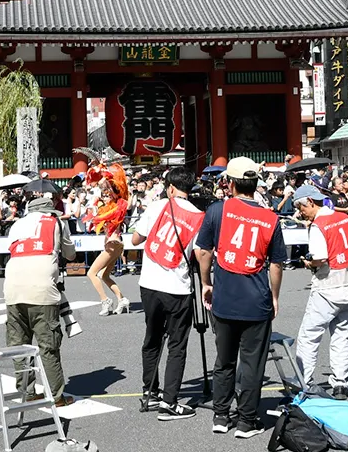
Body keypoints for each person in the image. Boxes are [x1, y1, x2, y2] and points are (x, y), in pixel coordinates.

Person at [195, 157, 287, 439]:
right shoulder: (271, 218)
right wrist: (274, 296)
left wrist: (206, 282)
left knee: (224, 360)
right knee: (252, 363)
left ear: (231, 184)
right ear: (255, 184)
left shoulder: (217, 211)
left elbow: (203, 251)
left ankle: (221, 416)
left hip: (225, 297)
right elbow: (276, 264)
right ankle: (247, 420)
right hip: (256, 300)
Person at [130, 167, 204, 420]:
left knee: (152, 339)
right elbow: (199, 254)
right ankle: (170, 401)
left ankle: (149, 391)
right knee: (177, 344)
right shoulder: (198, 216)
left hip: (150, 283)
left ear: (171, 187)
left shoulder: (157, 206)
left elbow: (136, 239)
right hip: (178, 286)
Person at [293, 185, 348, 399]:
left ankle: (304, 381)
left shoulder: (319, 225)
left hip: (329, 285)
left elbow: (320, 257)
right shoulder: (345, 219)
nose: (300, 213)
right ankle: (341, 382)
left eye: (301, 207)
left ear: (310, 202)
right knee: (342, 334)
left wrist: (308, 263)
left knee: (310, 335)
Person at [4, 195, 76, 407]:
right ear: (50, 210)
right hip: (42, 290)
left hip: (12, 288)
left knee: (19, 344)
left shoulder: (17, 224)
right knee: (48, 345)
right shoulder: (57, 222)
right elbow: (70, 254)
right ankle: (56, 395)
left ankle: (26, 391)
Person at [84, 163, 132, 315]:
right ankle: (122, 299)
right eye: (103, 193)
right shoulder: (106, 207)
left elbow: (101, 216)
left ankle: (105, 300)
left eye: (107, 193)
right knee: (104, 275)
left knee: (91, 273)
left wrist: (104, 175)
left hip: (113, 244)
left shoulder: (118, 206)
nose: (104, 195)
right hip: (113, 245)